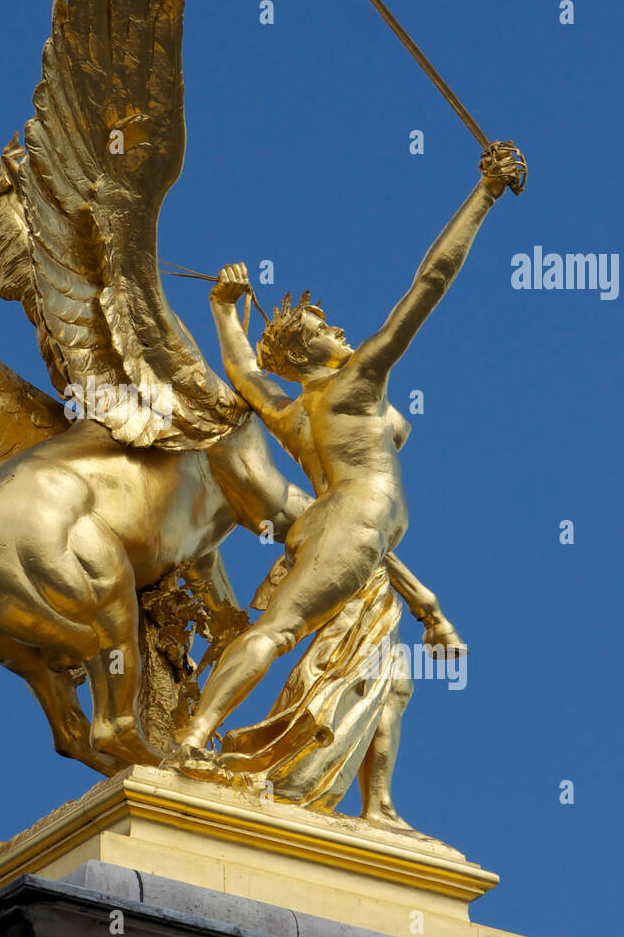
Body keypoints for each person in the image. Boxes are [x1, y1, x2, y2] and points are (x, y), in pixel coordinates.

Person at [174, 143, 524, 753]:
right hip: (353, 521)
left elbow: (242, 369)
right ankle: (193, 737)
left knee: (349, 660)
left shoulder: (290, 413)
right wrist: (485, 194)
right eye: (325, 329)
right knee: (281, 631)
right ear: (308, 351)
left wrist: (223, 307)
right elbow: (431, 281)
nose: (339, 331)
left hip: (328, 525)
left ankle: (211, 736)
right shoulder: (355, 383)